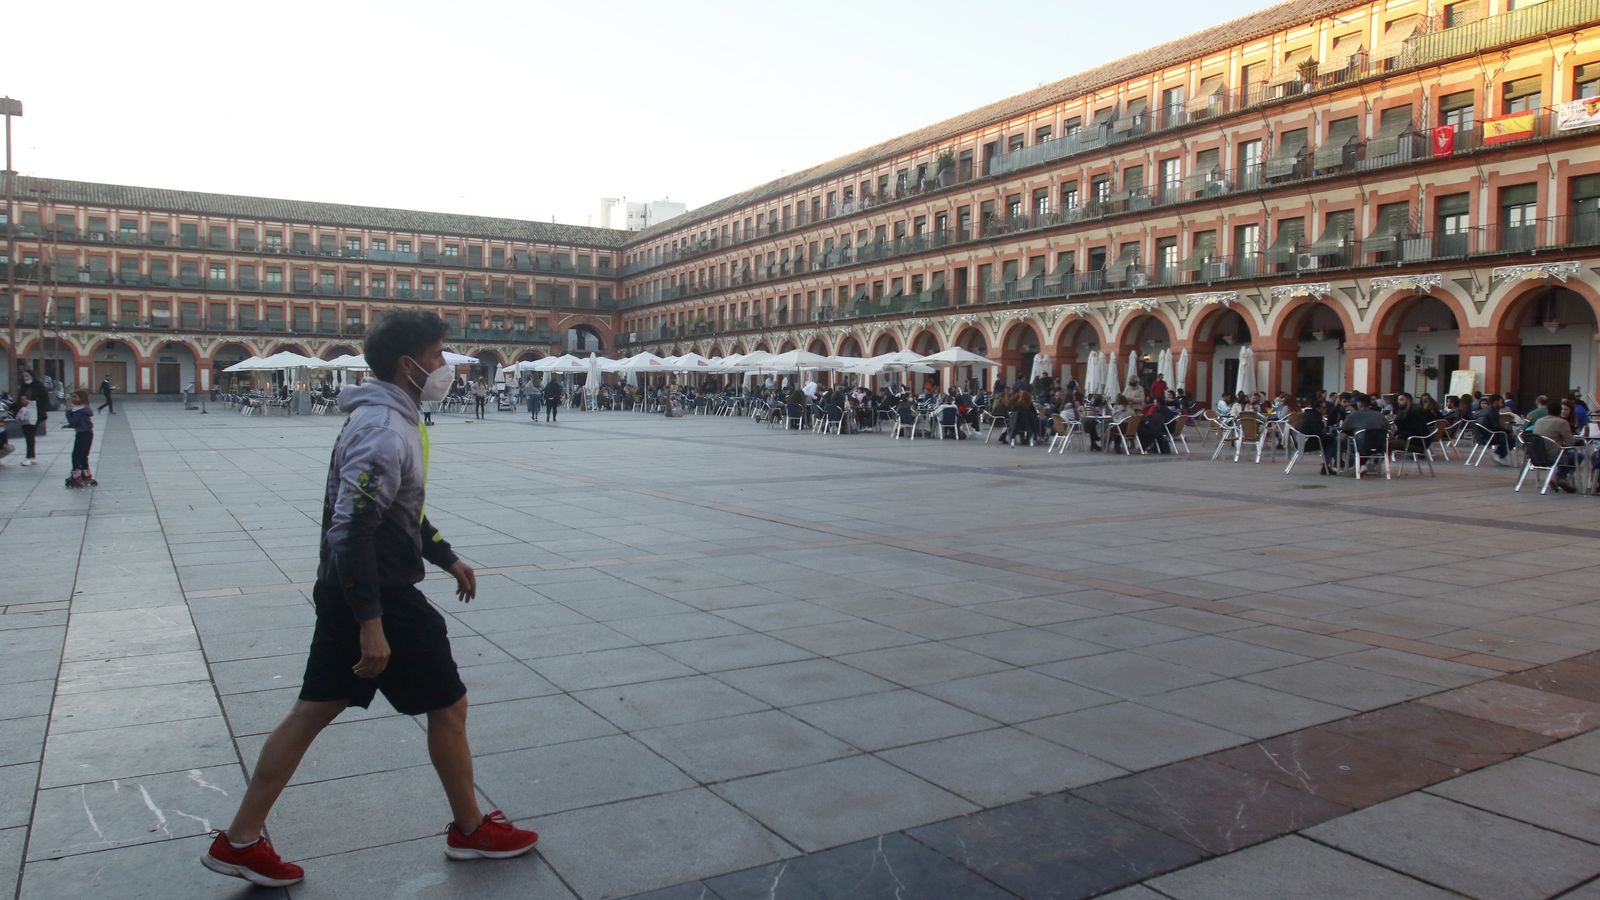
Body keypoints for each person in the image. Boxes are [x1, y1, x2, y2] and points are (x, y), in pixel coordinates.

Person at [202, 312, 537, 889]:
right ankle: (471, 829)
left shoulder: (391, 420)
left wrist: (445, 555)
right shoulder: (384, 430)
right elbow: (351, 530)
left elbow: (396, 511)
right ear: (408, 366)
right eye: (437, 355)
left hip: (349, 589)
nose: (445, 367)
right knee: (449, 704)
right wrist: (372, 624)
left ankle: (240, 840)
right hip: (376, 594)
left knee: (312, 712)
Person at [65, 390, 95, 485]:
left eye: (75, 397)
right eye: (72, 397)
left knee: (76, 455)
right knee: (83, 455)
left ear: (81, 399)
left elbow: (74, 421)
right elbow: (80, 422)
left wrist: (68, 410)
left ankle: (76, 474)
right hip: (88, 433)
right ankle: (86, 472)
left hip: (82, 434)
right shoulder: (84, 409)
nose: (72, 399)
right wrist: (69, 425)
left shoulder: (78, 410)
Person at [13, 391, 38, 466]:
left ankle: (29, 457)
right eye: (21, 400)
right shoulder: (22, 407)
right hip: (26, 424)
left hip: (31, 423)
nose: (22, 401)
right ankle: (32, 457)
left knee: (30, 439)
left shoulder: (32, 405)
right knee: (30, 439)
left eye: (24, 399)